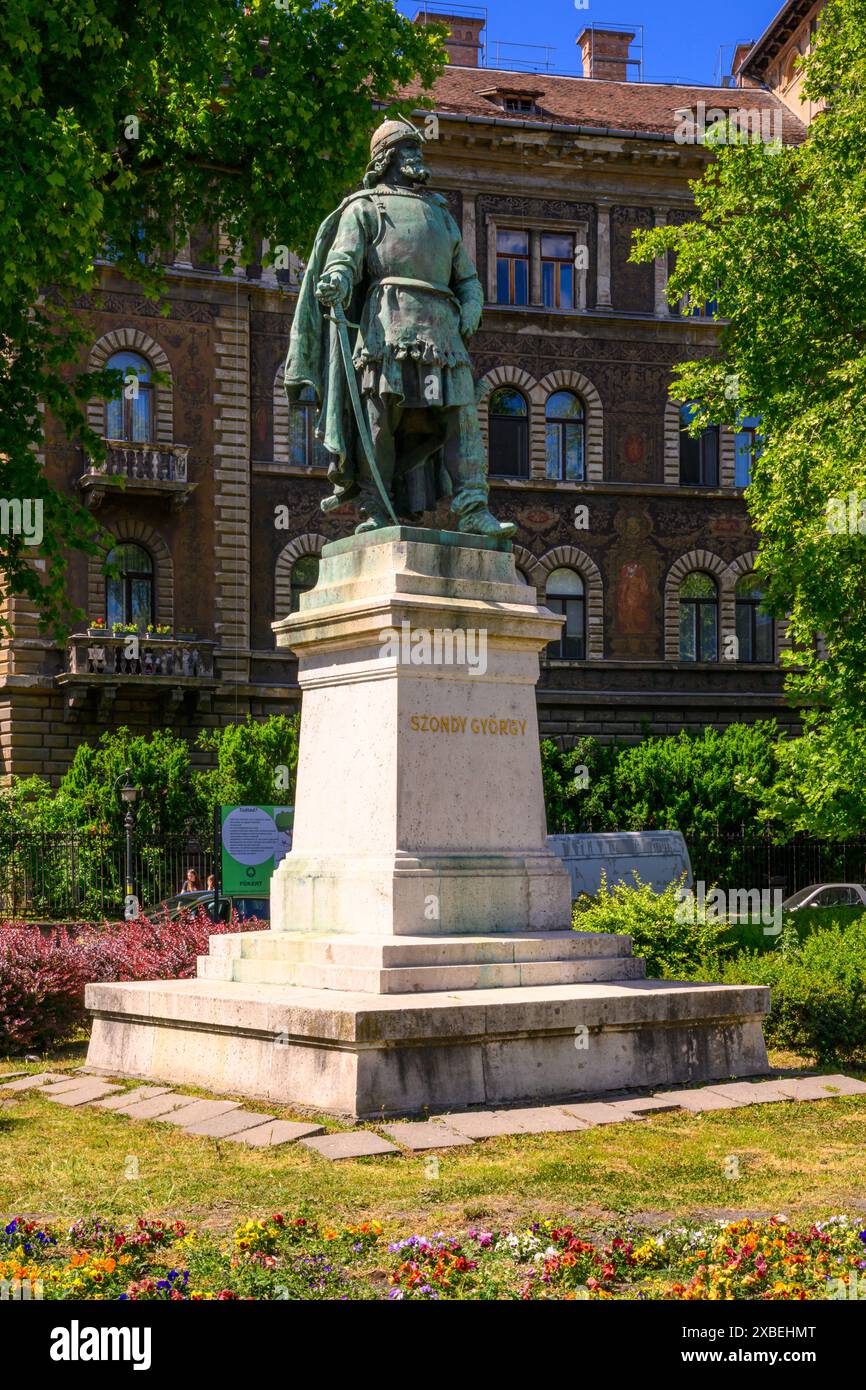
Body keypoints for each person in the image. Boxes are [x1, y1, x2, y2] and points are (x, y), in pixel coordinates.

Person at [285, 117, 516, 539]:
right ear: (386, 158)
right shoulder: (365, 207)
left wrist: (472, 305)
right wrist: (335, 279)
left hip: (442, 329)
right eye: (407, 149)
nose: (417, 156)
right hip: (385, 325)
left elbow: (465, 276)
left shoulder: (441, 214)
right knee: (380, 418)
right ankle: (378, 506)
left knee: (460, 417)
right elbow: (344, 258)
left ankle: (473, 507)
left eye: (417, 149)